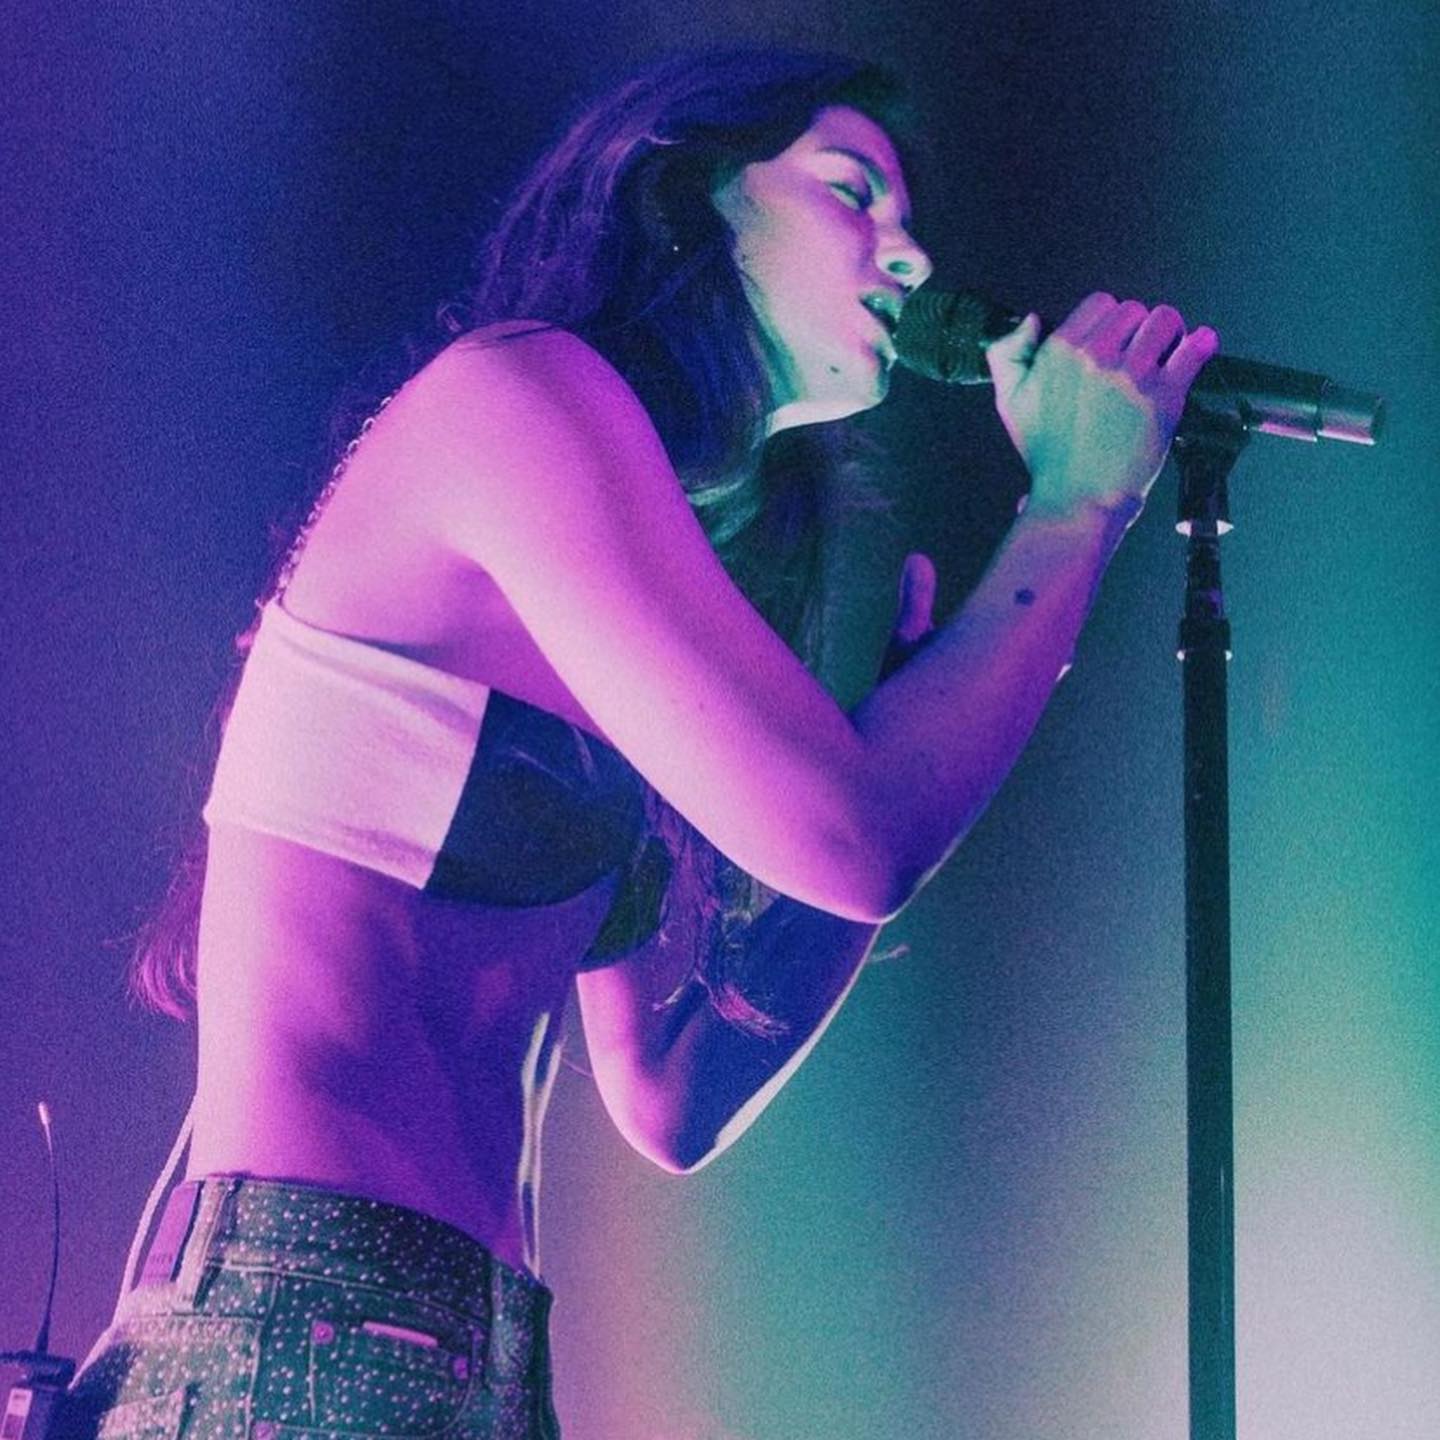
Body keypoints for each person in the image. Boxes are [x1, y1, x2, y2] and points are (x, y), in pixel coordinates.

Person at [64, 45, 1218, 1440]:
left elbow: (671, 1095)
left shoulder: (635, 581)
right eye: (852, 190)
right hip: (306, 1316)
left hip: (465, 1346)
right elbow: (858, 839)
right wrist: (1075, 507)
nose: (911, 254)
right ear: (691, 193)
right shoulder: (519, 400)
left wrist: (889, 743)